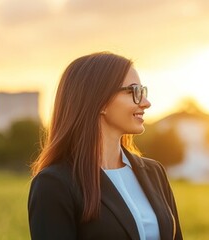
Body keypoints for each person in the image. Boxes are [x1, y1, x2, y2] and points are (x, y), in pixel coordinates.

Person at [28, 52, 183, 240]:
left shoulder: (154, 172)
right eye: (133, 92)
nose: (146, 103)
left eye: (143, 91)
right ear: (100, 101)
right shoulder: (54, 184)